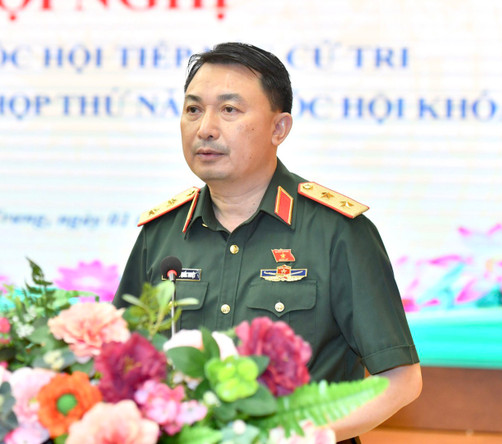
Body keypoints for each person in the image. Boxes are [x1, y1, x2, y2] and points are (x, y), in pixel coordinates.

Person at [112, 42, 422, 442]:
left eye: (229, 110)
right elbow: (120, 363)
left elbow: (400, 379)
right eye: (193, 109)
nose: (205, 127)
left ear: (280, 128)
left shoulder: (338, 233)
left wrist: (294, 433)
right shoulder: (162, 233)